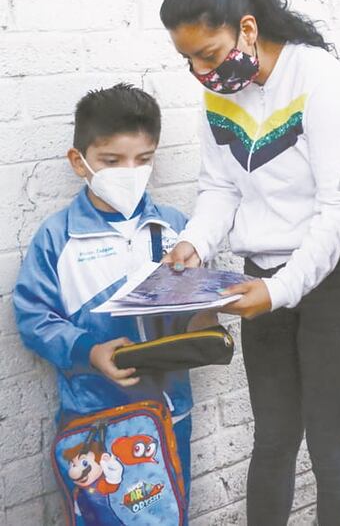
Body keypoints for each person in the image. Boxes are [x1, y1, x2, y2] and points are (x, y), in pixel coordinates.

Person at [158, 0, 340, 525]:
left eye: (208, 55)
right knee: (274, 437)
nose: (201, 72)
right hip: (260, 275)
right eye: (188, 60)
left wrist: (280, 290)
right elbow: (220, 187)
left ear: (247, 29)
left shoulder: (319, 79)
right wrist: (195, 244)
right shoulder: (218, 93)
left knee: (331, 444)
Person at [13, 84, 209, 501]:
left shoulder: (177, 229)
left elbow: (198, 315)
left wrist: (207, 310)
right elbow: (34, 318)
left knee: (170, 512)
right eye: (112, 161)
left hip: (170, 414)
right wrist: (89, 350)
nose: (129, 171)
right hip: (95, 422)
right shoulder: (58, 238)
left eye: (143, 159)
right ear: (79, 161)